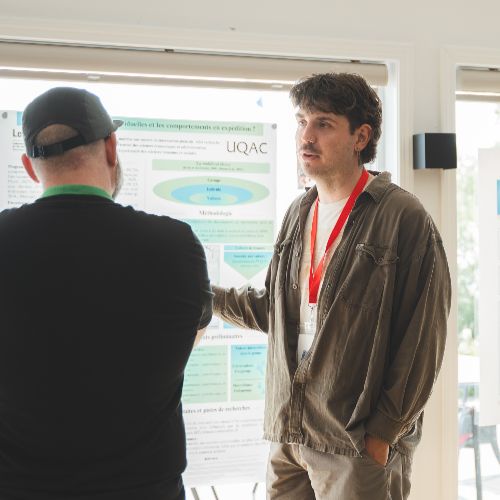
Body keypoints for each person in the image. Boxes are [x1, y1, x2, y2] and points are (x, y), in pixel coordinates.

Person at [212, 73, 451, 499]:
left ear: (361, 136)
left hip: (354, 443)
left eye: (323, 124)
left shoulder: (402, 217)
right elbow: (275, 311)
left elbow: (423, 340)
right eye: (302, 122)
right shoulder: (298, 212)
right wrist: (200, 293)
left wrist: (383, 434)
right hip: (290, 434)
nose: (306, 136)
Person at [0, 87, 212, 500]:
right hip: (144, 489)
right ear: (111, 147)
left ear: (29, 167)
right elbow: (190, 338)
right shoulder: (175, 245)